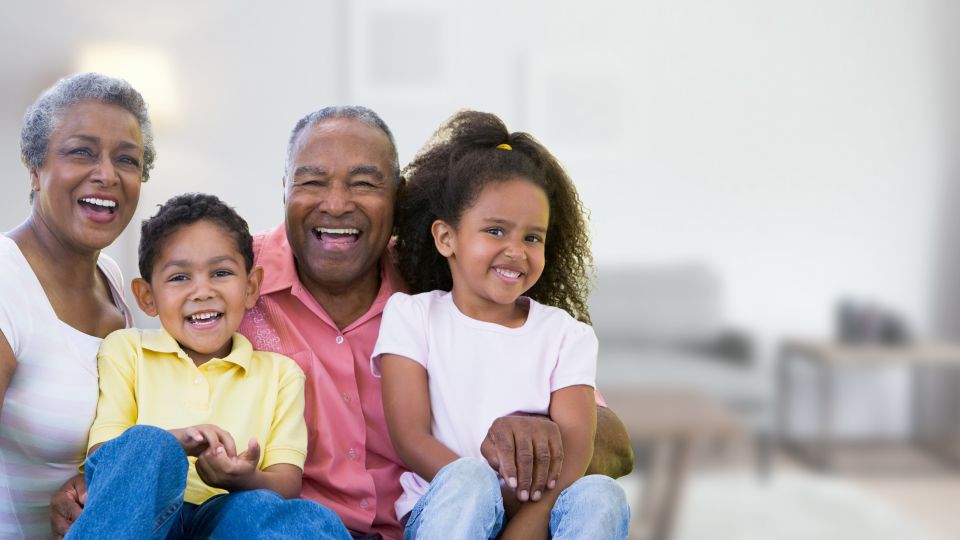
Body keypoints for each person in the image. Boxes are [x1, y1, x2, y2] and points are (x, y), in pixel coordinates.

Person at [234, 106, 634, 539]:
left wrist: (536, 429)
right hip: (303, 527)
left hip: (450, 522)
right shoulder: (227, 275)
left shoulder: (447, 276)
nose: (335, 204)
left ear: (398, 196)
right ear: (285, 189)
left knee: (598, 497)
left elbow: (612, 443)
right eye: (311, 182)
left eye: (365, 184)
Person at [373, 110, 629, 539]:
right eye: (495, 231)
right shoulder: (412, 317)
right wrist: (488, 494)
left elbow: (578, 447)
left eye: (532, 237)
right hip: (447, 508)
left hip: (537, 517)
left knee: (601, 495)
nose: (516, 250)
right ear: (446, 238)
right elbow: (411, 438)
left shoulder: (567, 335)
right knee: (470, 479)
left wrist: (526, 524)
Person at [66, 193, 350, 539]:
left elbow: (285, 482)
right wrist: (178, 442)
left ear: (250, 288)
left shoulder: (281, 374)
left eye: (220, 272)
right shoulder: (127, 350)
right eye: (179, 278)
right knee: (146, 444)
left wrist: (242, 477)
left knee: (306, 518)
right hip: (144, 520)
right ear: (147, 297)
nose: (202, 291)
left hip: (226, 516)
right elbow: (106, 461)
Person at [0, 72, 155, 539]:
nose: (106, 173)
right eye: (81, 151)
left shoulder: (109, 280)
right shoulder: (6, 281)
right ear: (35, 166)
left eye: (126, 159)